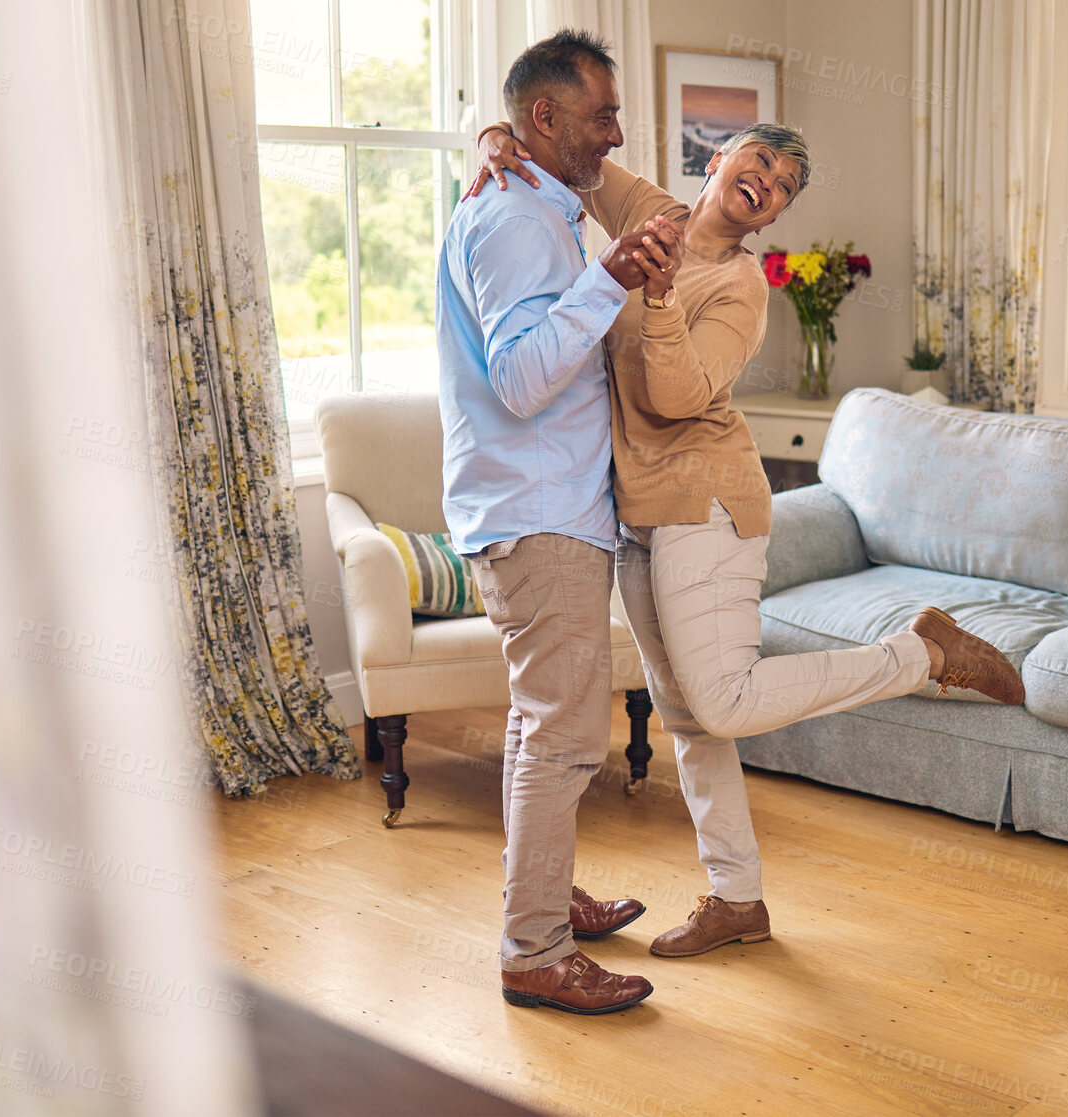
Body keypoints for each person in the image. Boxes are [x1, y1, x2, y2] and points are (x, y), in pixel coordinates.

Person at [465, 120, 1025, 958]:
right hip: (636, 513)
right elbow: (574, 161)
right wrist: (495, 137)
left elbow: (680, 397)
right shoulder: (648, 211)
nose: (770, 180)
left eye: (787, 185)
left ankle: (923, 656)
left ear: (770, 220)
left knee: (722, 702)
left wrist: (656, 300)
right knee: (690, 720)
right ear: (718, 160)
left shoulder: (740, 287)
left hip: (710, 506)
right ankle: (738, 900)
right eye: (760, 159)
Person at [436, 30, 685, 1015]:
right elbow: (525, 376)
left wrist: (485, 134)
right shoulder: (512, 221)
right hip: (536, 513)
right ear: (546, 119)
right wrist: (613, 277)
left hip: (546, 504)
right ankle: (534, 950)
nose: (616, 135)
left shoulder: (535, 196)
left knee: (546, 721)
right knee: (568, 731)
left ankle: (546, 894)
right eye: (601, 117)